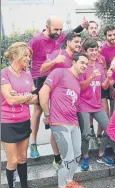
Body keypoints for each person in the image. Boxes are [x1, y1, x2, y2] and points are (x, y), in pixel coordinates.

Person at [28, 15, 88, 161]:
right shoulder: (36, 40)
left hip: (57, 77)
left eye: (60, 29)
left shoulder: (60, 36)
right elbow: (26, 56)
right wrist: (27, 80)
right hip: (40, 76)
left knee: (57, 111)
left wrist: (82, 26)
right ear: (47, 26)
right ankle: (34, 143)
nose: (59, 32)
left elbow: (71, 35)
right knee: (38, 109)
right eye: (56, 29)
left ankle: (60, 146)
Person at [39, 53, 87, 188]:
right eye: (82, 62)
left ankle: (69, 181)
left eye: (86, 64)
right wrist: (47, 113)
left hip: (73, 123)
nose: (84, 66)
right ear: (74, 62)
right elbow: (43, 92)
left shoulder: (77, 82)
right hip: (59, 122)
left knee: (77, 155)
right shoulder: (60, 72)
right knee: (67, 158)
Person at [1, 42, 39, 188]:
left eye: (29, 56)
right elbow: (9, 99)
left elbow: (36, 98)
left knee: (23, 157)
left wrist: (20, 97)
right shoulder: (4, 73)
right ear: (16, 56)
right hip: (8, 123)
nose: (29, 59)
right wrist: (26, 97)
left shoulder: (28, 75)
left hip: (24, 120)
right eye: (26, 56)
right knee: (13, 160)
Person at [78, 39, 114, 171]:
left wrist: (109, 77)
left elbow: (104, 85)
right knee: (86, 134)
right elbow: (80, 87)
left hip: (97, 105)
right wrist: (91, 77)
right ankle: (86, 156)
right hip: (84, 106)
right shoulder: (82, 67)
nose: (94, 52)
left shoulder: (99, 66)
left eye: (95, 50)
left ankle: (101, 154)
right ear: (85, 51)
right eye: (91, 50)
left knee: (110, 129)